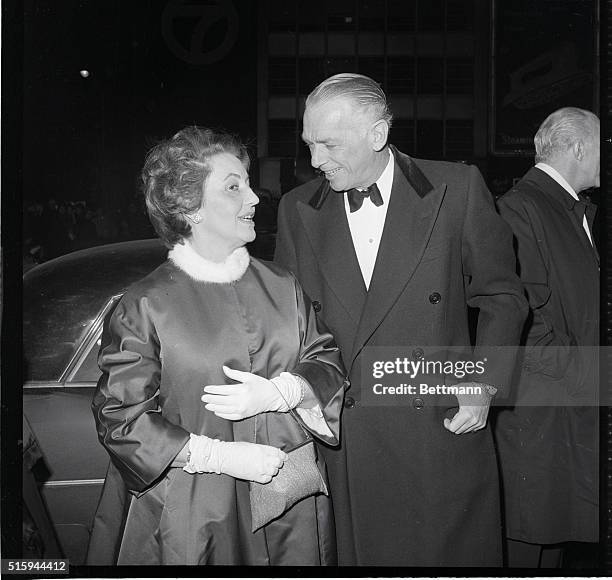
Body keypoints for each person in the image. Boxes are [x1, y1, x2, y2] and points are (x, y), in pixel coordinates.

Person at [274, 73, 528, 566]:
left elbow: (502, 297)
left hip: (439, 426)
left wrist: (482, 386)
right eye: (308, 144)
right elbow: (292, 327)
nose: (314, 161)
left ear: (378, 134)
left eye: (328, 144)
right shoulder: (295, 209)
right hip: (348, 443)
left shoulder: (457, 187)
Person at [87, 126, 345, 566]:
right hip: (196, 510)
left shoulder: (282, 285)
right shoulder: (144, 304)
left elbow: (325, 360)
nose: (255, 197)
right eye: (233, 187)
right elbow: (120, 419)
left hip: (291, 501)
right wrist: (216, 455)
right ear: (189, 207)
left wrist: (289, 390)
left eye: (246, 182)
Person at [494, 107, 600, 568]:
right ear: (578, 147)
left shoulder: (566, 209)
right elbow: (526, 323)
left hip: (565, 413)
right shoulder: (522, 207)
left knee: (552, 543)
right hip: (541, 422)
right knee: (529, 547)